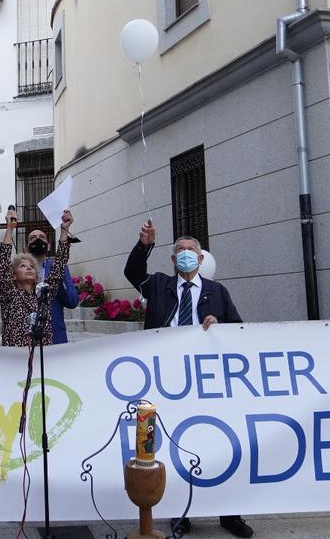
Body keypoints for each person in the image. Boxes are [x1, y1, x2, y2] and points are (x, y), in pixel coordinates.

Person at [124, 220, 252, 539]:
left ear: (200, 258)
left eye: (190, 251)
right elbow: (132, 272)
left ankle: (229, 513)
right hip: (167, 379)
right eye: (179, 251)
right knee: (175, 444)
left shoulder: (216, 291)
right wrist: (144, 245)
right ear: (172, 260)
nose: (185, 255)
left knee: (218, 444)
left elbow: (238, 330)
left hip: (207, 381)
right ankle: (180, 512)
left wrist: (218, 323)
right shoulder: (158, 285)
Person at [0, 207, 73, 347]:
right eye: (23, 266)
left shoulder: (44, 296)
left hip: (43, 360)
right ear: (13, 275)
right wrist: (9, 228)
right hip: (15, 359)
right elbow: (2, 266)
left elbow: (60, 264)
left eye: (31, 266)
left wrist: (64, 230)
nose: (29, 268)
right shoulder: (9, 295)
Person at [26, 228, 80, 343]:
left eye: (42, 237)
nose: (38, 240)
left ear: (49, 246)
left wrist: (57, 280)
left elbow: (72, 301)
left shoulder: (60, 268)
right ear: (25, 248)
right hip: (27, 339)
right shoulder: (20, 271)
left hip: (55, 337)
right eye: (33, 238)